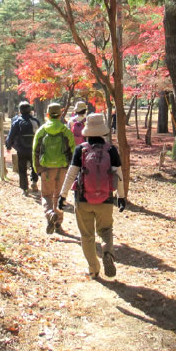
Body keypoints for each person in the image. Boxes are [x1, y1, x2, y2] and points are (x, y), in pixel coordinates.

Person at [58, 113, 126, 279]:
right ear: (103, 130)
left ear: (87, 130)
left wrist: (63, 195)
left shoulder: (80, 150)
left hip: (83, 199)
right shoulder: (111, 150)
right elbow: (119, 175)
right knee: (106, 229)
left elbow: (71, 173)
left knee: (87, 236)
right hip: (106, 199)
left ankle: (93, 269)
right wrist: (121, 197)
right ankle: (108, 251)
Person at [33, 103, 76, 234]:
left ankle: (49, 213)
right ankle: (58, 223)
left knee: (46, 195)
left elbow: (35, 151)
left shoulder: (42, 131)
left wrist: (37, 169)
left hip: (46, 168)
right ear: (61, 114)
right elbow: (73, 151)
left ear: (48, 114)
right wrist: (71, 169)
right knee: (59, 195)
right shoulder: (66, 131)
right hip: (62, 168)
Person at [6, 101, 41, 196]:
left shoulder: (17, 122)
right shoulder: (35, 121)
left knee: (22, 169)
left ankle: (25, 188)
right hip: (34, 149)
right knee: (34, 166)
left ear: (20, 111)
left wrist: (8, 146)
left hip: (21, 149)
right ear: (30, 110)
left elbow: (11, 135)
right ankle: (34, 182)